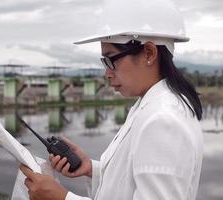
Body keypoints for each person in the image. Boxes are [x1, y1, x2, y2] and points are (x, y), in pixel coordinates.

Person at [19, 0, 203, 199]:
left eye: (110, 59)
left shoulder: (163, 120)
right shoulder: (151, 105)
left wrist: (62, 198)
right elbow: (131, 180)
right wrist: (91, 168)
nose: (107, 73)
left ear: (149, 53)